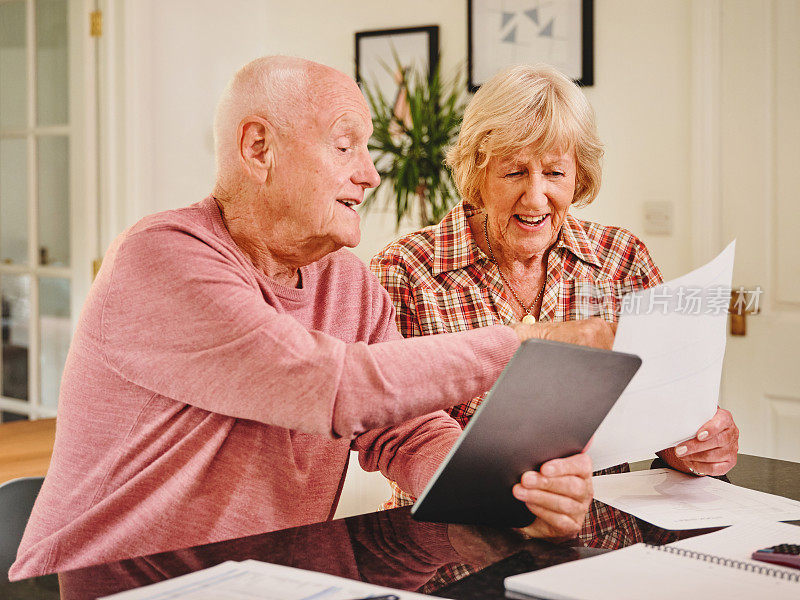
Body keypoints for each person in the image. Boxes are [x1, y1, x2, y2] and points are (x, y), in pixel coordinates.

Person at [9, 57, 614, 580]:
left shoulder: (348, 281)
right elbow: (329, 383)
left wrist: (512, 497)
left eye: (369, 149)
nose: (370, 174)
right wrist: (523, 343)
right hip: (111, 587)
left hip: (263, 581)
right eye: (345, 145)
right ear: (258, 149)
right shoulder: (160, 256)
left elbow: (407, 431)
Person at [371, 64, 740, 549]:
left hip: (601, 545)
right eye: (515, 171)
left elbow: (665, 412)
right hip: (453, 549)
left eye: (554, 172)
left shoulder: (620, 262)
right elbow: (387, 430)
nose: (536, 195)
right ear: (477, 173)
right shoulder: (404, 272)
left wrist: (695, 444)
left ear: (578, 176)